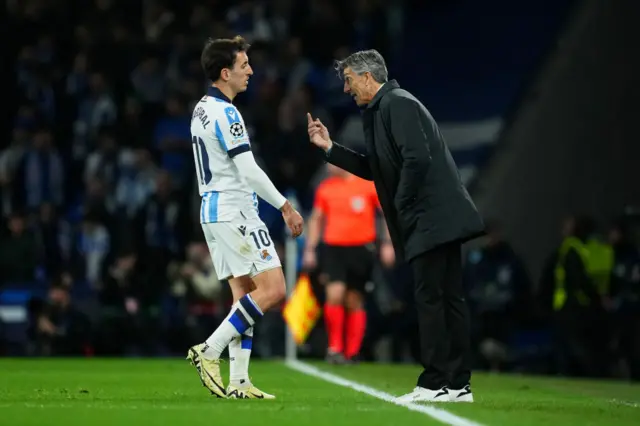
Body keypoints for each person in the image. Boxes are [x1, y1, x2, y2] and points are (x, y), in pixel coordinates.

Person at [307, 49, 484, 403]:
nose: (346, 89)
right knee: (447, 299)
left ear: (368, 77)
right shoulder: (385, 108)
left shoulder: (397, 104)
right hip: (436, 216)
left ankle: (435, 383)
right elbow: (377, 168)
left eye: (349, 80)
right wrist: (330, 148)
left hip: (429, 218)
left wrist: (402, 206)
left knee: (432, 298)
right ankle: (458, 383)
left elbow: (417, 159)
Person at [186, 36, 304, 400]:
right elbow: (248, 169)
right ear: (226, 73)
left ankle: (239, 381)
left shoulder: (201, 108)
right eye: (243, 65)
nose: (250, 71)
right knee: (274, 290)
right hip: (235, 209)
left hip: (212, 210)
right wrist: (285, 205)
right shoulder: (227, 113)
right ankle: (209, 349)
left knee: (246, 296)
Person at [303, 163, 395, 364]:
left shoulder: (367, 186)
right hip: (334, 248)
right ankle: (335, 348)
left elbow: (386, 214)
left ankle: (352, 351)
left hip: (362, 248)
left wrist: (388, 243)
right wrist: (310, 248)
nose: (328, 166)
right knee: (334, 293)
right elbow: (316, 218)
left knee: (354, 299)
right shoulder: (326, 188)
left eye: (331, 161)